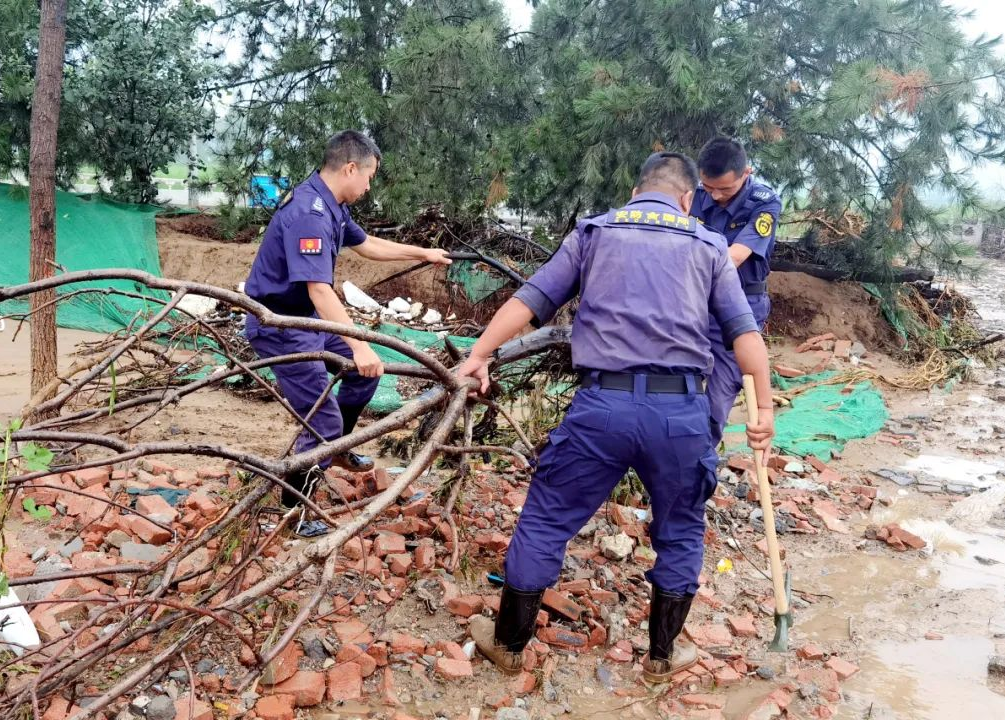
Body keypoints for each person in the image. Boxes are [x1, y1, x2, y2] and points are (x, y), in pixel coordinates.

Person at [456, 152, 775, 682]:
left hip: (602, 407)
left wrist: (481, 353)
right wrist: (762, 410)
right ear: (687, 198)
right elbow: (745, 336)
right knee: (680, 529)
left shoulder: (595, 232)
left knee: (547, 518)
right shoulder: (710, 244)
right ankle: (661, 657)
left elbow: (531, 298)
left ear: (635, 192)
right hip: (681, 415)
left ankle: (510, 645)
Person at [243, 130, 450, 510]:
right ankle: (295, 507)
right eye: (369, 177)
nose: (370, 186)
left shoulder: (333, 204)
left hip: (306, 321)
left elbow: (368, 244)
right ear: (351, 168)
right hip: (281, 326)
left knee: (362, 373)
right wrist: (358, 344)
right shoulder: (309, 215)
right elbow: (319, 291)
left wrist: (424, 253)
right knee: (322, 420)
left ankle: (337, 448)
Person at [690, 137, 782, 447]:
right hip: (694, 300)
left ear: (746, 173)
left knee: (717, 395)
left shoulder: (763, 202)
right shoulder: (695, 194)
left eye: (724, 190)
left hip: (740, 304)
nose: (714, 196)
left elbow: (735, 256)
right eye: (708, 187)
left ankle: (697, 461)